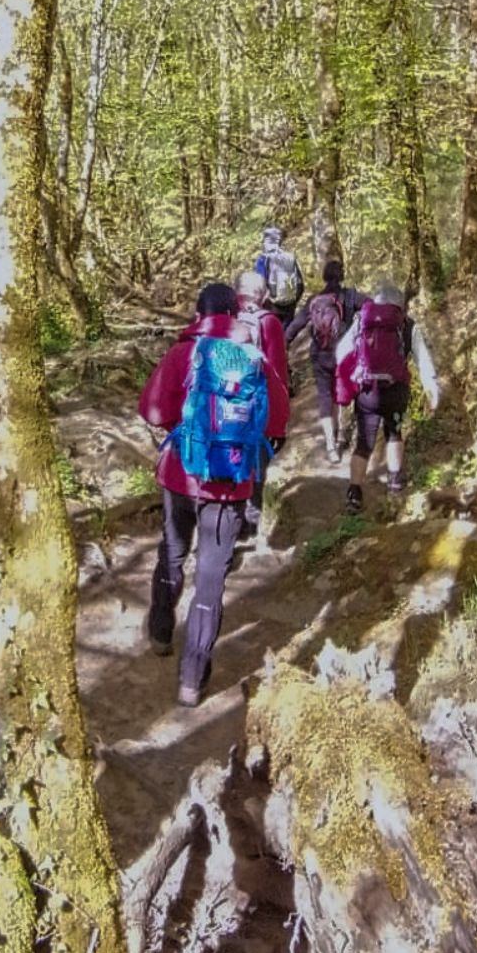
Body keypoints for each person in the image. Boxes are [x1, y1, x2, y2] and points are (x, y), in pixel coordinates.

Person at [140, 281, 290, 706]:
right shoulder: (254, 359)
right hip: (232, 485)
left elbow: (151, 409)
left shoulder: (182, 353)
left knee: (173, 551)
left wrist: (183, 425)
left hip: (180, 476)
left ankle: (161, 631)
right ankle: (192, 678)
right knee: (210, 579)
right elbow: (278, 420)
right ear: (236, 314)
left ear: (197, 314)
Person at [333, 280, 440, 508]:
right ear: (400, 305)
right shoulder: (407, 325)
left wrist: (353, 376)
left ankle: (354, 494)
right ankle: (394, 485)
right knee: (394, 434)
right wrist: (432, 389)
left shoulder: (362, 321)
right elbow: (423, 359)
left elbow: (341, 353)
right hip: (396, 392)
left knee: (364, 443)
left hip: (367, 392)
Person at [285, 258, 361, 462]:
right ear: (342, 275)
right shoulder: (351, 296)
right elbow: (372, 309)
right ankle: (341, 434)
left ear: (324, 276)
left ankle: (330, 444)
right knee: (342, 393)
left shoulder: (315, 300)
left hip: (320, 355)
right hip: (344, 355)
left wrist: (284, 343)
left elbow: (296, 325)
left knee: (325, 396)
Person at [233, 267, 290, 533]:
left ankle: (227, 527)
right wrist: (278, 424)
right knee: (255, 467)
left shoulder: (224, 317)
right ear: (265, 294)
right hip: (256, 411)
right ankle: (249, 524)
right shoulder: (269, 322)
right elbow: (276, 374)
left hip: (220, 409)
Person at [253, 225, 304, 323]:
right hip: (289, 306)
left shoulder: (263, 259)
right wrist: (292, 301)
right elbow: (300, 285)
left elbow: (259, 285)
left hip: (271, 307)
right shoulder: (290, 257)